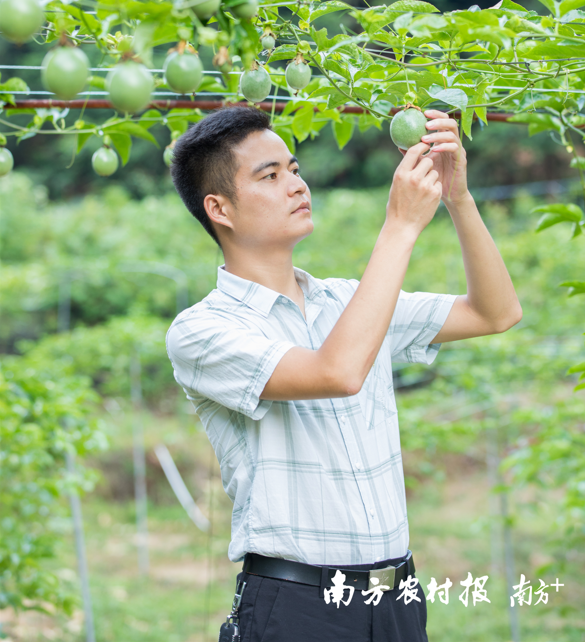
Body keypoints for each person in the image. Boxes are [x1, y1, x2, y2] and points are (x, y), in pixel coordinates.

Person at [165, 104, 522, 642]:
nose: (296, 185)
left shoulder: (348, 301)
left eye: (294, 169)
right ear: (220, 208)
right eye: (270, 175)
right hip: (298, 605)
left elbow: (494, 312)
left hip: (395, 591)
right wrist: (400, 226)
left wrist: (458, 199)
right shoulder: (202, 331)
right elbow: (337, 372)